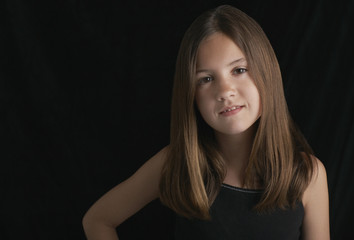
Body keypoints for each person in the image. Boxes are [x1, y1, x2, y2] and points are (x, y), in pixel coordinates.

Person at [82, 5, 330, 240]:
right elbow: (98, 220)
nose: (225, 90)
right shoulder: (177, 164)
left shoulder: (309, 175)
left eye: (239, 70)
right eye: (207, 79)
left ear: (267, 71)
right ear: (191, 95)